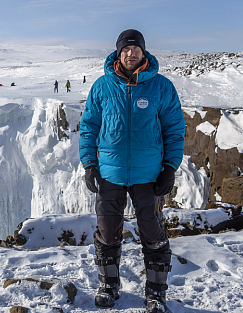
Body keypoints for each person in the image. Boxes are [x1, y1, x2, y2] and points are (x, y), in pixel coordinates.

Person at [78, 29, 185, 312]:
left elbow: (174, 129)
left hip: (147, 173)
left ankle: (156, 294)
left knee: (152, 232)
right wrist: (90, 164)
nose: (130, 53)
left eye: (135, 48)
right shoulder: (103, 86)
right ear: (118, 52)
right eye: (126, 49)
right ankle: (108, 286)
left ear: (143, 52)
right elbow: (89, 127)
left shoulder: (161, 87)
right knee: (107, 231)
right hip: (110, 172)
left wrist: (170, 167)